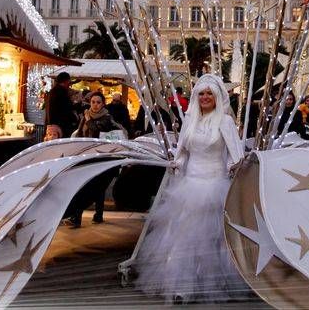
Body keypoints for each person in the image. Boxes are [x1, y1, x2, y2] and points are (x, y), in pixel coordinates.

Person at [135, 74, 245, 303]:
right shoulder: (190, 120)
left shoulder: (224, 122)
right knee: (182, 238)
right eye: (201, 93)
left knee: (212, 240)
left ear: (217, 97)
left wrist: (233, 167)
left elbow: (236, 156)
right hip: (189, 187)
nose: (205, 97)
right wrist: (176, 164)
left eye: (209, 94)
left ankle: (213, 283)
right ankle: (181, 287)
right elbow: (183, 153)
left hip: (214, 187)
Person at [67, 92, 126, 227]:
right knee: (87, 186)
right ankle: (83, 216)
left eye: (98, 102)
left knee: (96, 187)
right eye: (93, 102)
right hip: (86, 156)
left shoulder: (106, 118)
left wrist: (88, 119)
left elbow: (97, 133)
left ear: (103, 104)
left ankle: (89, 215)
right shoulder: (86, 116)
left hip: (100, 157)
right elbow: (80, 133)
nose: (95, 105)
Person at [44, 72, 78, 140]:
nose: (69, 85)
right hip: (59, 128)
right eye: (69, 82)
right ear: (66, 81)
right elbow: (67, 109)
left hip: (50, 126)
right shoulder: (61, 92)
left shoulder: (52, 92)